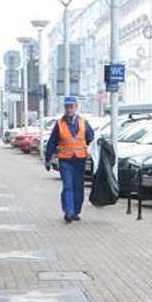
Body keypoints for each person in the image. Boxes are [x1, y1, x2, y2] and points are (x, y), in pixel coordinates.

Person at [44, 95, 94, 223]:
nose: (69, 110)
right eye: (67, 107)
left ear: (76, 107)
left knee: (78, 186)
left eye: (71, 107)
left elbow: (91, 139)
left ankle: (76, 211)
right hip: (65, 160)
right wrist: (47, 159)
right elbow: (52, 142)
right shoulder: (59, 124)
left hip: (80, 160)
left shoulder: (83, 122)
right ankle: (69, 212)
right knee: (68, 186)